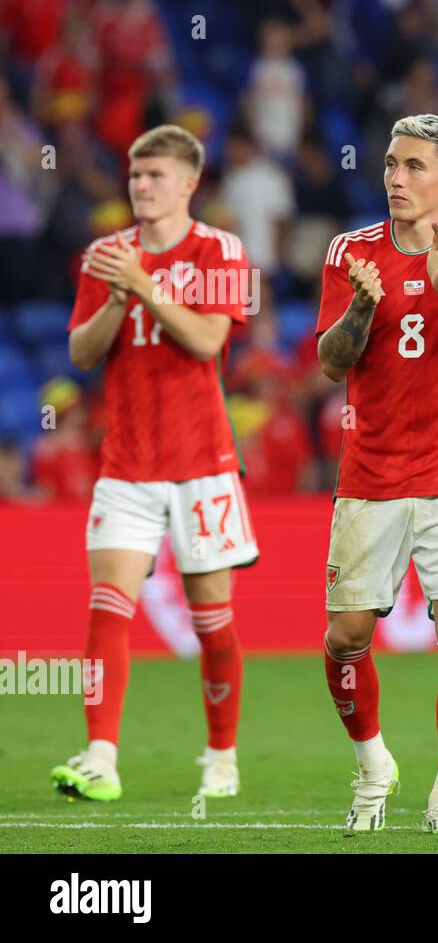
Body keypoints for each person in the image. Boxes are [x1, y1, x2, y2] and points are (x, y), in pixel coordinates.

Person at [315, 114, 438, 835]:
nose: (395, 179)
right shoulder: (350, 252)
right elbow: (332, 361)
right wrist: (363, 308)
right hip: (369, 472)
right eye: (391, 164)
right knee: (345, 638)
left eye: (413, 167)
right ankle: (374, 767)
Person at [52, 124, 258, 802]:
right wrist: (118, 296)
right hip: (127, 466)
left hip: (203, 463)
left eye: (156, 175)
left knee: (213, 623)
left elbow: (205, 340)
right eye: (136, 175)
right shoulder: (105, 255)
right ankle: (101, 757)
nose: (141, 186)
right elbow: (82, 354)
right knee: (107, 609)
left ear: (190, 183)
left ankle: (222, 754)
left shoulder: (220, 249)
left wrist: (144, 285)